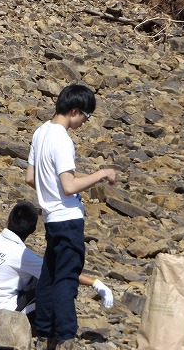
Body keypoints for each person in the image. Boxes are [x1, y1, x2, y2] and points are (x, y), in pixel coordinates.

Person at [24, 84, 117, 349]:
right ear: (74, 110)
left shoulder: (40, 132)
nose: (85, 122)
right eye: (85, 117)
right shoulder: (62, 139)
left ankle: (43, 331)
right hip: (68, 218)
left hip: (52, 218)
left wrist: (48, 191)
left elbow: (30, 178)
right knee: (66, 277)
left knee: (49, 275)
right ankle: (65, 336)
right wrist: (102, 173)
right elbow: (69, 185)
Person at [0, 201, 114, 324]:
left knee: (37, 276)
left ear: (7, 221)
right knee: (50, 283)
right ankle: (49, 328)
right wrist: (95, 282)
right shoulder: (21, 255)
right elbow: (60, 272)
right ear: (33, 230)